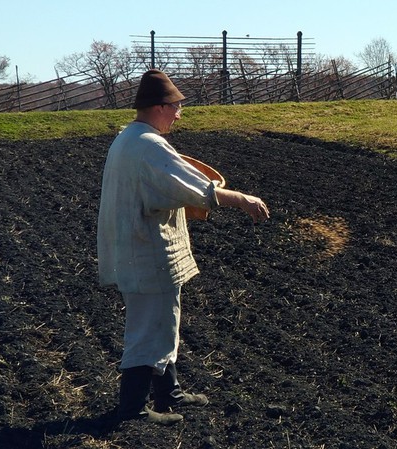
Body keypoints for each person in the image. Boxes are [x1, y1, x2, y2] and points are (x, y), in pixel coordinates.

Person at [97, 69, 269, 425]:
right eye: (176, 107)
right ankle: (132, 408)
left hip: (136, 248)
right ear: (159, 106)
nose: (179, 115)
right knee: (148, 327)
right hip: (147, 251)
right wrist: (243, 199)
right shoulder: (149, 145)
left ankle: (168, 393)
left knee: (163, 321)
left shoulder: (129, 137)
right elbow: (197, 187)